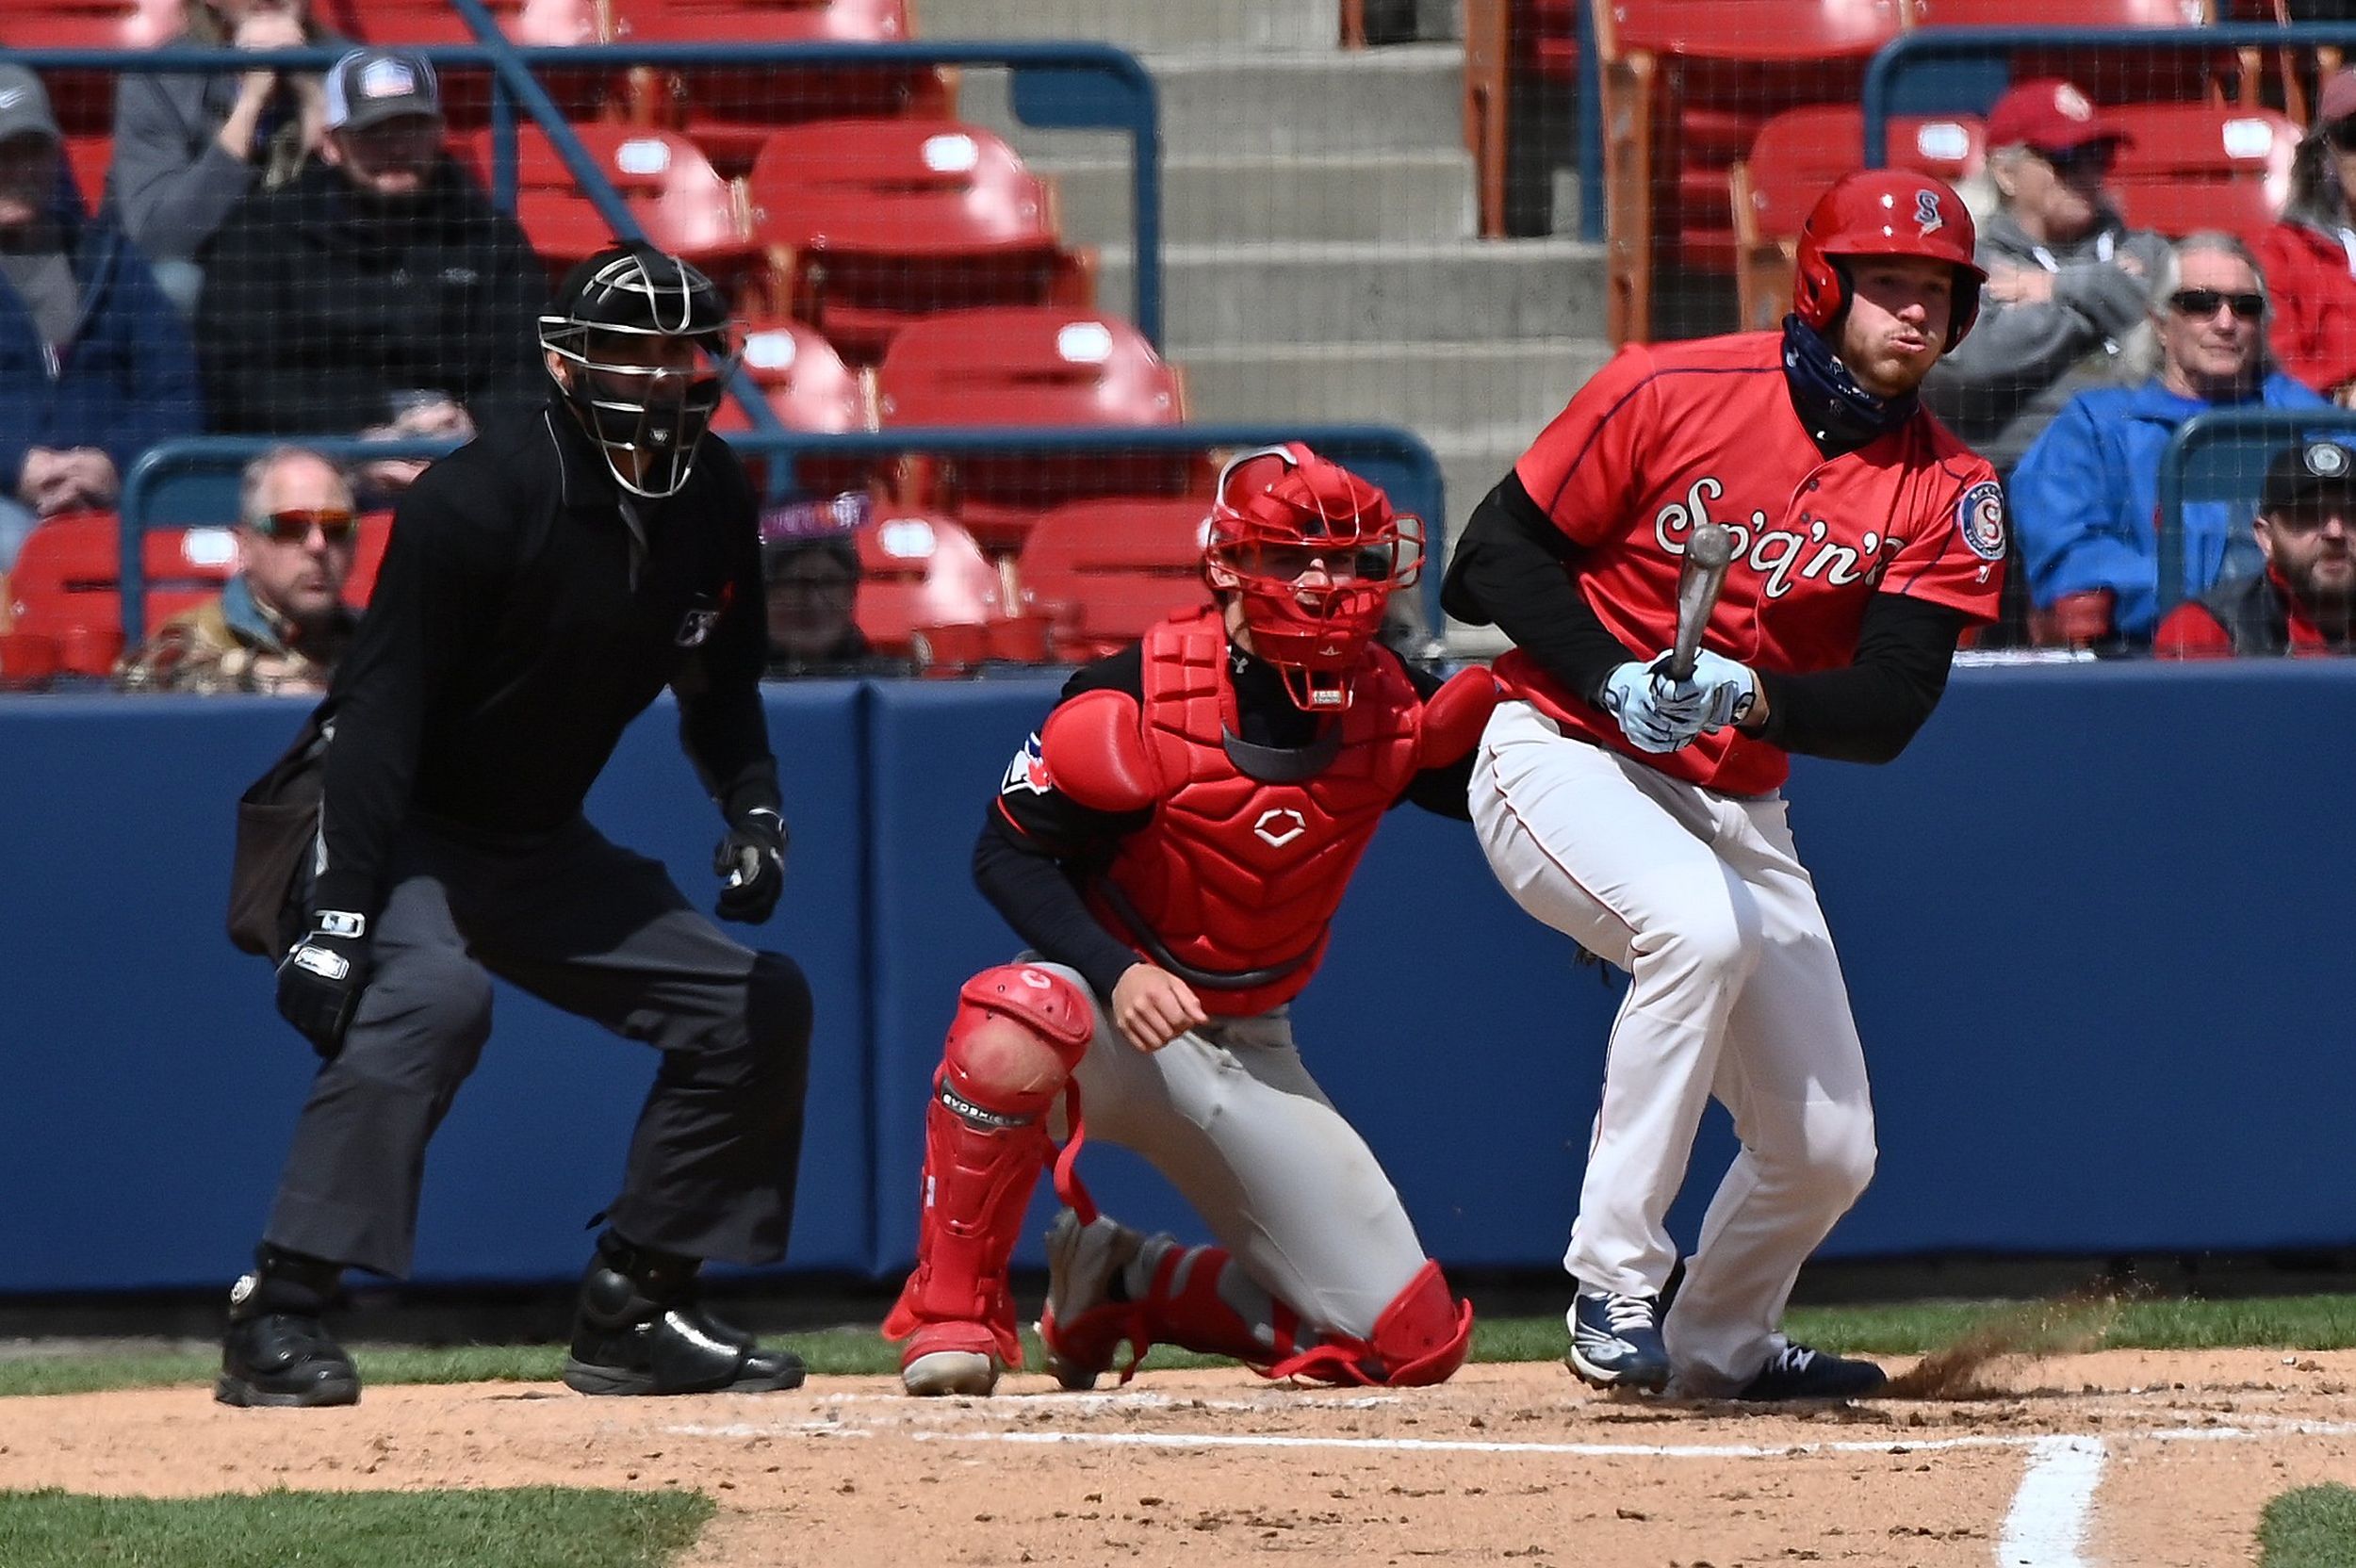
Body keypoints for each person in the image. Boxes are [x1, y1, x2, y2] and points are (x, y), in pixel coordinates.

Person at [217, 244, 815, 1409]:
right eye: (629, 354)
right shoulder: (476, 495)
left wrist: (751, 808)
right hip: (394, 820)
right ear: (564, 366)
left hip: (536, 835)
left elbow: (724, 685)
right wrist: (340, 916)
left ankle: (634, 1303)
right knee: (433, 996)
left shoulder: (716, 495)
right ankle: (276, 1309)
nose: (658, 377)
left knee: (755, 999)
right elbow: (380, 710)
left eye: (680, 353)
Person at [1441, 171, 2004, 1402]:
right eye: (1891, 286)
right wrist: (1608, 675)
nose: (1916, 313)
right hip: (1558, 746)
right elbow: (1484, 564)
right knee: (1695, 925)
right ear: (1824, 286)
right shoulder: (1665, 386)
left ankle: (1720, 1342)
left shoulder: (1950, 488)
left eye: (1940, 294)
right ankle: (1613, 1280)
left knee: (1827, 1149)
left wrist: (1755, 695)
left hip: (1731, 796)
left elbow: (1896, 701)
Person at [881, 444, 1496, 1397]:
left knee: (1408, 1345)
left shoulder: (1391, 699)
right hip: (1108, 1018)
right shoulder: (1131, 693)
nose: (1326, 582)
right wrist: (1113, 967)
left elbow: (1506, 804)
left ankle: (1126, 1281)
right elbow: (1003, 854)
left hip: (1248, 1043)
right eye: (1294, 556)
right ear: (1226, 564)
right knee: (1014, 1015)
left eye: (1350, 558)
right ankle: (952, 1308)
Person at [193, 47, 543, 482]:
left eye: (412, 127)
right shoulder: (265, 234)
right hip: (315, 461)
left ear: (438, 133)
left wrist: (472, 423)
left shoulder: (488, 236)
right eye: (373, 131)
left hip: (469, 462)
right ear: (331, 144)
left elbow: (531, 368)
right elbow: (239, 375)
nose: (396, 146)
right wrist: (363, 431)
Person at [2010, 233, 2327, 647]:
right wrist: (2208, 606)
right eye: (2200, 304)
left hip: (2295, 652)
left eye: (2245, 307)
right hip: (2145, 658)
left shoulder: (2312, 423)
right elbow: (2069, 557)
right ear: (2160, 323)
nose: (2226, 322)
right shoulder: (2094, 426)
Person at [0, 64, 203, 572]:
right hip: (7, 499)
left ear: (53, 157)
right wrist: (17, 464)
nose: (15, 169)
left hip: (116, 492)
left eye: (29, 150)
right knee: (29, 556)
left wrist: (109, 462)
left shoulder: (112, 261)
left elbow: (176, 397)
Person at [1923, 78, 2168, 471]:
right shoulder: (1971, 260)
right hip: (2013, 475)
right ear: (2006, 174)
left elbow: (2180, 309)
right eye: (2066, 157)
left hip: (2142, 467)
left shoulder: (2143, 247)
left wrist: (2060, 287)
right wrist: (2113, 301)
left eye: (2098, 154)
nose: (2088, 171)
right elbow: (1971, 361)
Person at [109, 0, 339, 317]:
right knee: (173, 284)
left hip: (320, 266)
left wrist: (314, 99)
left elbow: (382, 216)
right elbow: (161, 240)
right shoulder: (157, 76)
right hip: (211, 272)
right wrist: (250, 106)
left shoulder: (348, 65)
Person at [117, 444, 359, 694]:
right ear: (246, 545)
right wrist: (253, 676)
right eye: (290, 527)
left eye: (337, 527)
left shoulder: (376, 640)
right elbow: (137, 678)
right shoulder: (191, 636)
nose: (318, 545)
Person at [2155, 437, 2356, 657]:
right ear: (2266, 537)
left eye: (2353, 514)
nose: (2335, 533)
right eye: (2307, 515)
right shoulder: (2205, 628)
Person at [2258, 69, 2356, 403]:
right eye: (2353, 135)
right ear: (2324, 152)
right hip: (2325, 431)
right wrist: (2341, 394)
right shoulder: (2282, 251)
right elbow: (2279, 370)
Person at [762, 532, 885, 676]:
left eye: (830, 583)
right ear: (764, 594)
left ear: (852, 594)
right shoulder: (734, 684)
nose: (815, 601)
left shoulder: (893, 686)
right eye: (796, 583)